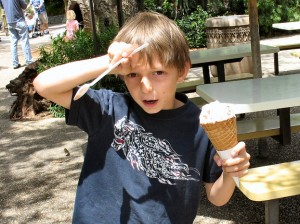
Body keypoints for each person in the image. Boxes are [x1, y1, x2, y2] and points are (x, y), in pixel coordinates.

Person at [33, 12, 250, 223]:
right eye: (133, 74)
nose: (145, 87)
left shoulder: (201, 125)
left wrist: (231, 173)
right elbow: (44, 85)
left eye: (158, 73)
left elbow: (217, 197)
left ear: (182, 70)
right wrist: (106, 63)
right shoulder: (108, 109)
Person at [1, 0, 32, 69]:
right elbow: (24, 6)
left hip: (10, 22)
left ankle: (15, 63)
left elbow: (3, 7)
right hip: (19, 20)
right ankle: (29, 61)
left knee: (13, 43)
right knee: (24, 41)